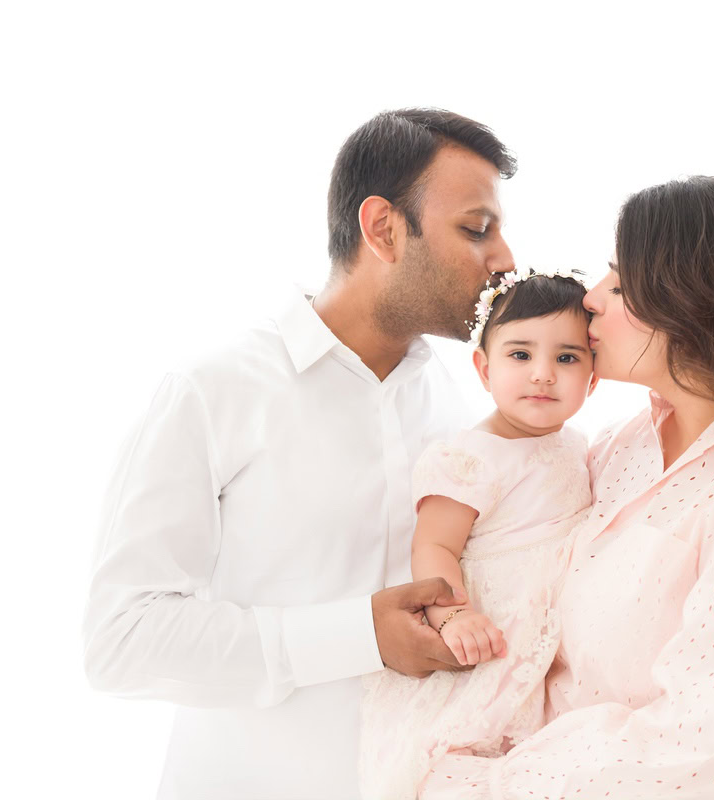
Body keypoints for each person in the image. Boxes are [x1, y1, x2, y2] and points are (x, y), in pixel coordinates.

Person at [81, 108, 518, 800]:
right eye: (476, 229)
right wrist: (357, 636)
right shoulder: (214, 392)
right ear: (383, 228)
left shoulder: (460, 409)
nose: (505, 261)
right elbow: (120, 641)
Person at [419, 176, 714, 799]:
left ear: (689, 303)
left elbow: (696, 755)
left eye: (618, 283)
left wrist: (466, 785)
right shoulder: (616, 448)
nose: (590, 299)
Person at [358, 267, 600, 799]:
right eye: (521, 355)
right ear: (484, 369)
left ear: (593, 377)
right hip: (492, 620)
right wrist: (453, 614)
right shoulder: (469, 456)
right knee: (470, 744)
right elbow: (434, 545)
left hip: (549, 626)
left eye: (566, 358)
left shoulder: (578, 444)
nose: (542, 374)